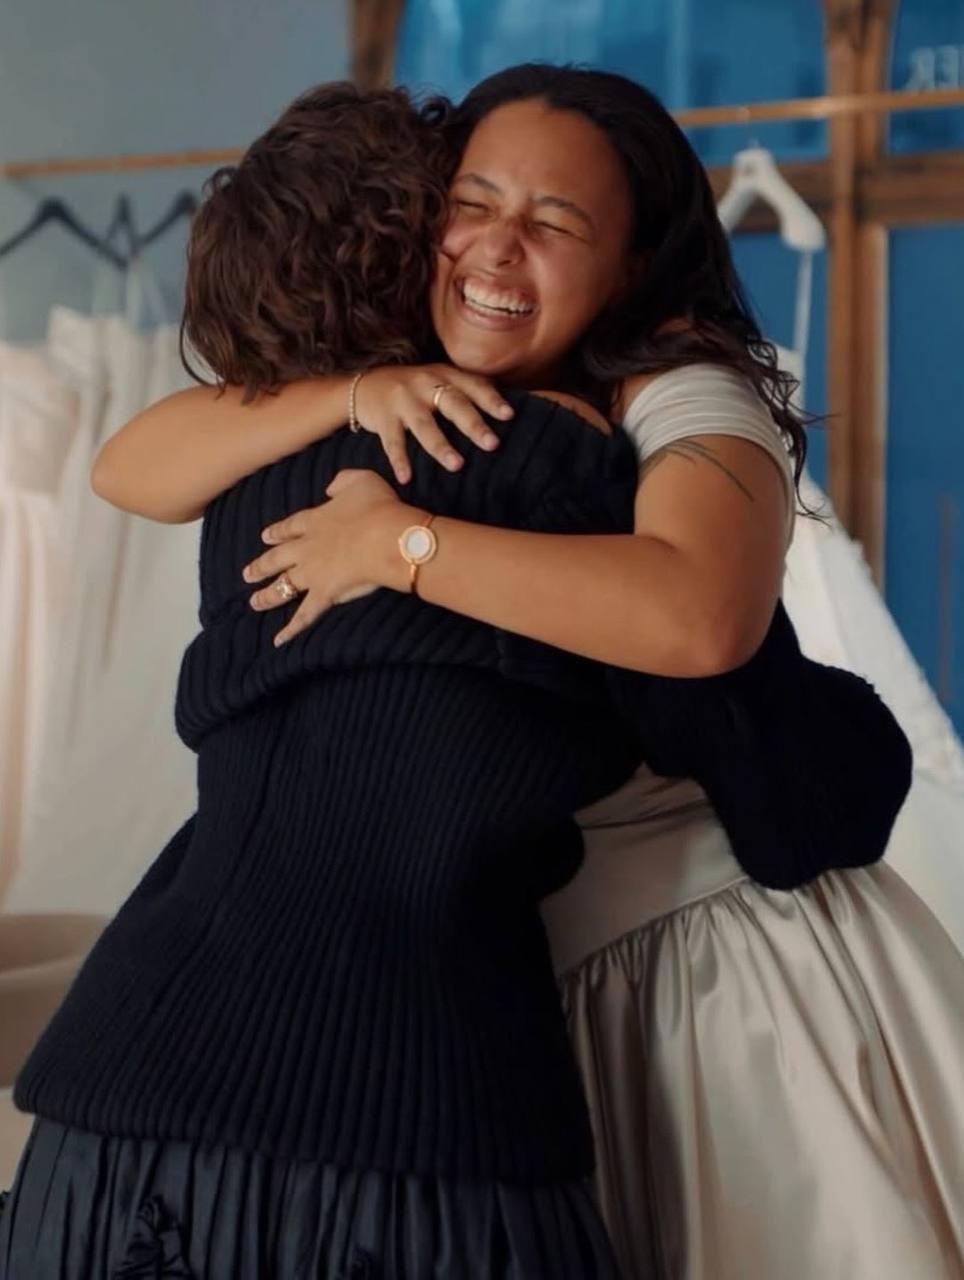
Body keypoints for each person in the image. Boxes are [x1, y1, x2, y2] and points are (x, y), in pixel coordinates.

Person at [32, 65, 964, 1279]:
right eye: (471, 204)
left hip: (704, 960)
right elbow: (129, 465)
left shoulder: (670, 403)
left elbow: (696, 620)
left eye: (555, 221)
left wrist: (398, 547)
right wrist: (353, 392)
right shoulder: (411, 401)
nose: (496, 247)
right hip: (499, 985)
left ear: (629, 267)